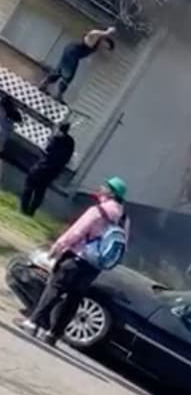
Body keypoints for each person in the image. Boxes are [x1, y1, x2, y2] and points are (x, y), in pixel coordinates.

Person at [18, 176, 129, 346]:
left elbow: (76, 232)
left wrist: (57, 247)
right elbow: (123, 245)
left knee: (54, 290)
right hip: (94, 266)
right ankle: (52, 335)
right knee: (74, 299)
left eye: (104, 186)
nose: (100, 187)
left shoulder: (97, 211)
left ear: (110, 193)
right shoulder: (124, 219)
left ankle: (32, 323)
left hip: (76, 257)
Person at [40, 26, 116, 101]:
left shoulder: (97, 42)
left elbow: (103, 42)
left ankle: (44, 84)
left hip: (70, 51)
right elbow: (94, 32)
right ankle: (58, 94)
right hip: (72, 53)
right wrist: (108, 31)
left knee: (60, 71)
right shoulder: (93, 37)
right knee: (68, 76)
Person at [21, 121, 74, 216]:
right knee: (41, 190)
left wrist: (50, 139)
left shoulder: (56, 138)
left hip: (43, 166)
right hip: (55, 171)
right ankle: (32, 210)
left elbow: (47, 149)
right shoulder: (71, 142)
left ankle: (24, 208)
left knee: (29, 185)